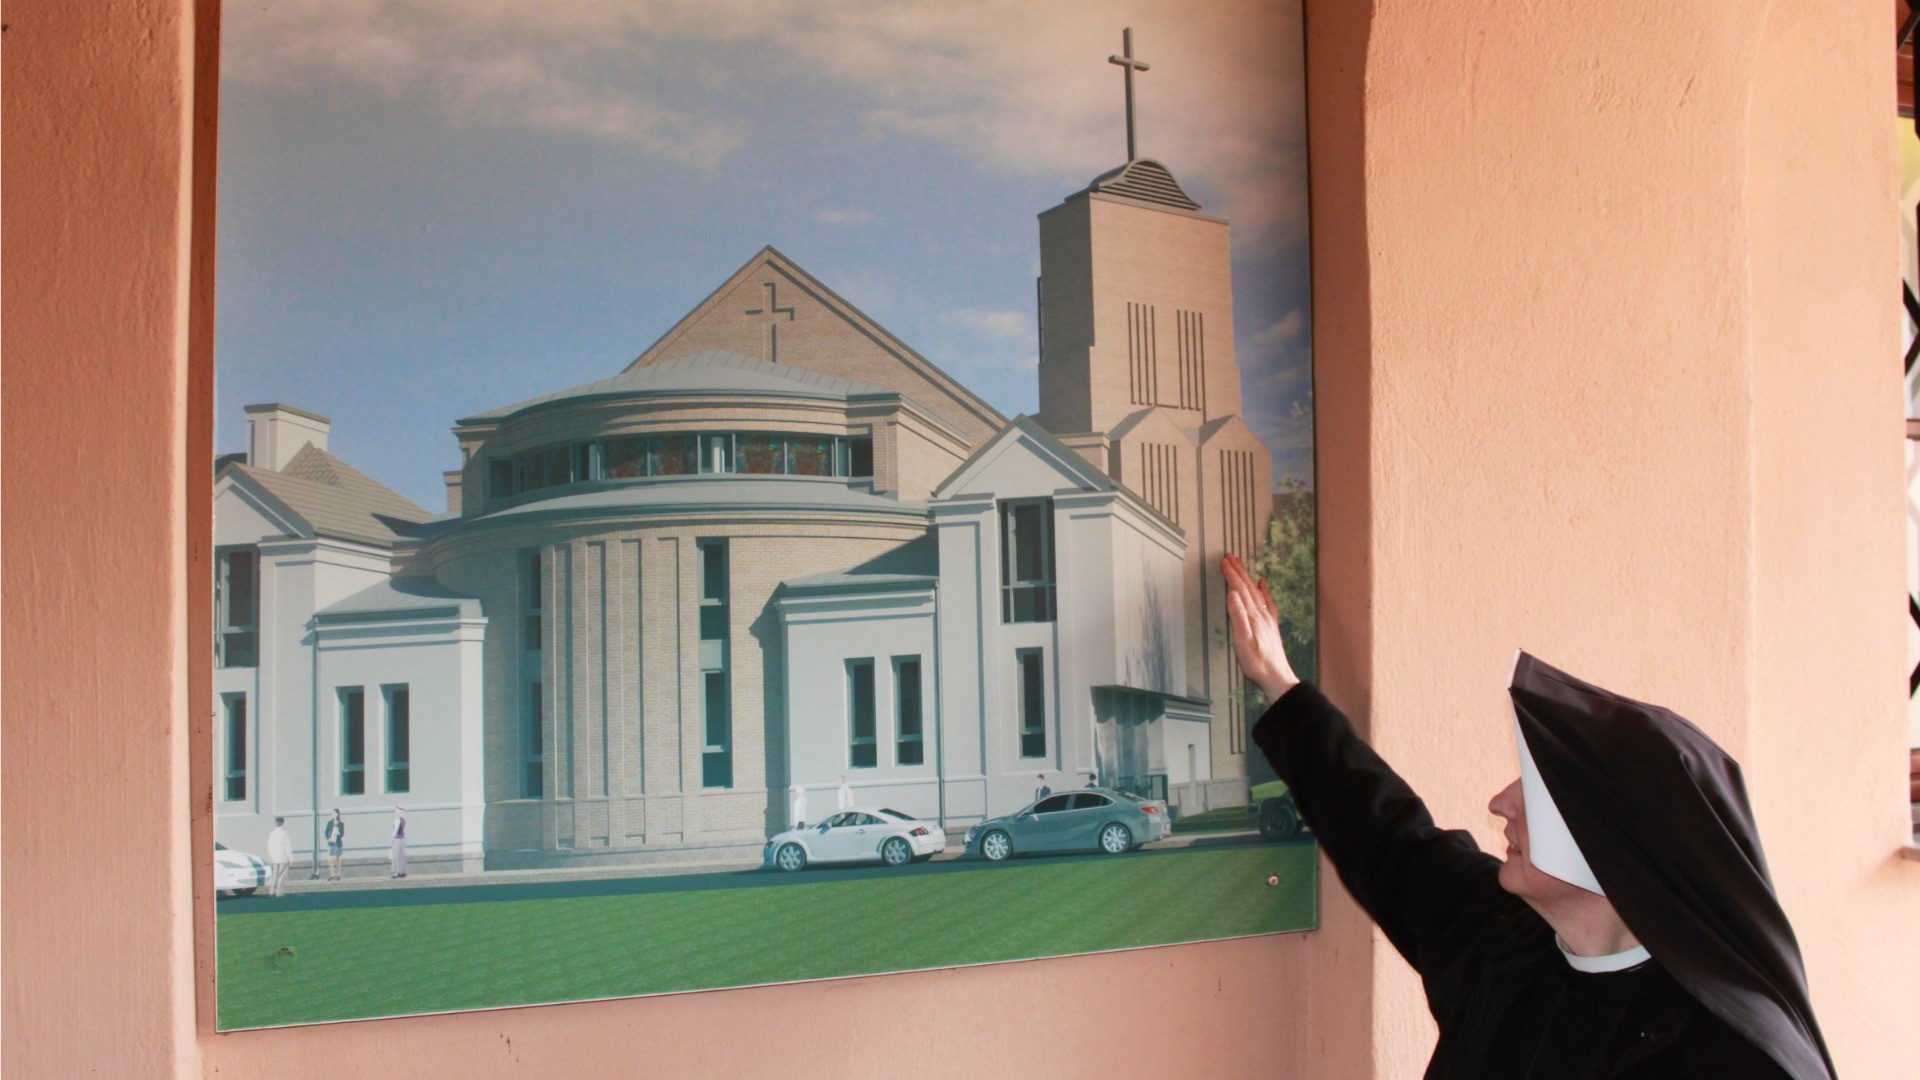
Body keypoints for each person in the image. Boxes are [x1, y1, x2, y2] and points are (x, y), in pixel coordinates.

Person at [1221, 553, 1832, 1079]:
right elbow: (1387, 835)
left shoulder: (1725, 1055)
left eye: (1535, 793)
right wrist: (1280, 683)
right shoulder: (1501, 937)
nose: (1499, 806)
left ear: (1613, 846)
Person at [265, 816, 292, 898]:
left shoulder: (272, 834)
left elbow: (269, 846)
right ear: (283, 823)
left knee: (275, 875)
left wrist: (272, 855)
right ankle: (279, 892)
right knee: (281, 876)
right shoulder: (284, 834)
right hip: (283, 857)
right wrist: (290, 858)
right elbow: (287, 847)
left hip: (275, 858)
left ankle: (272, 890)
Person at [323, 808, 345, 881]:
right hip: (331, 842)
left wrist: (339, 833)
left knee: (338, 859)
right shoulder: (330, 823)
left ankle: (338, 874)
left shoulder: (341, 824)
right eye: (331, 814)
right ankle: (332, 875)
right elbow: (326, 832)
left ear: (337, 814)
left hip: (338, 843)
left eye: (333, 813)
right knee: (330, 858)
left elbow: (342, 834)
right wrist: (328, 838)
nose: (332, 815)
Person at [389, 806, 408, 879]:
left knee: (396, 856)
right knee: (401, 856)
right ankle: (402, 871)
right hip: (402, 839)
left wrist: (392, 839)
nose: (396, 811)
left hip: (397, 839)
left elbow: (395, 830)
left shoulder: (397, 820)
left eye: (397, 809)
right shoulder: (403, 819)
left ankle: (396, 872)